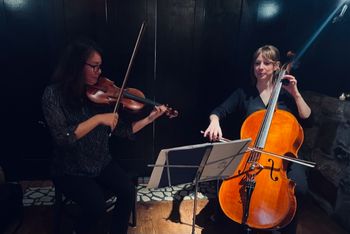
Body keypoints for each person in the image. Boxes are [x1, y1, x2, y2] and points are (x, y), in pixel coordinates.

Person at [42, 38, 167, 234]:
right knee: (96, 206)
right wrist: (99, 119)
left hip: (100, 162)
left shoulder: (99, 95)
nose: (99, 72)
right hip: (69, 169)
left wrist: (149, 119)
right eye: (94, 67)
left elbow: (124, 130)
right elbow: (62, 137)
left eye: (99, 67)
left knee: (127, 191)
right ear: (76, 66)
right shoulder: (53, 95)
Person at [203, 45, 313, 234]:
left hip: (281, 156)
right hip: (252, 154)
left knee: (300, 189)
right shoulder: (244, 93)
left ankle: (283, 226)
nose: (260, 67)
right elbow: (218, 111)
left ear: (276, 66)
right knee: (228, 182)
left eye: (266, 63)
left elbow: (308, 119)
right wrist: (214, 122)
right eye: (257, 63)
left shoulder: (286, 94)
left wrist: (296, 93)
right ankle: (235, 221)